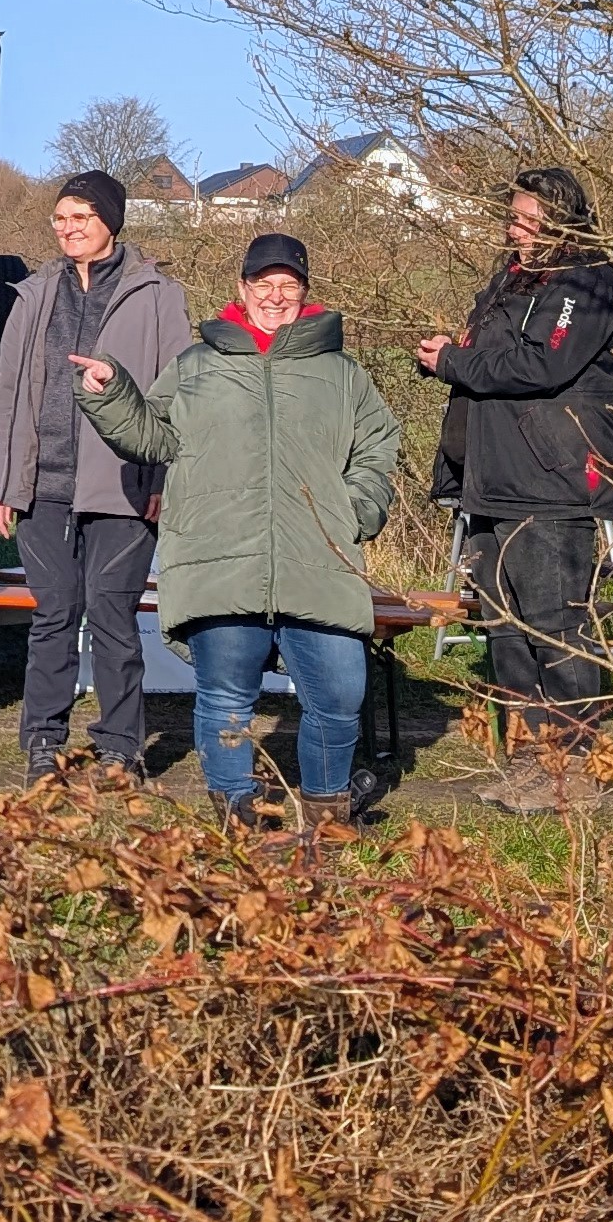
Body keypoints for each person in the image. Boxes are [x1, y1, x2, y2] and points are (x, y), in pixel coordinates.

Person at [76, 234, 402, 831]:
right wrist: (111, 392)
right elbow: (151, 437)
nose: (275, 296)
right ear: (242, 289)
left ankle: (327, 814)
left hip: (320, 558)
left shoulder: (342, 373)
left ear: (304, 292)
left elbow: (377, 448)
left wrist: (354, 512)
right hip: (218, 556)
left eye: (288, 285)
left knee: (338, 695)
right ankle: (237, 813)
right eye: (263, 284)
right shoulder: (196, 366)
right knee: (226, 698)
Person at [415, 166, 613, 814]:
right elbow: (492, 355)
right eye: (513, 218)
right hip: (492, 477)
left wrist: (454, 362)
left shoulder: (586, 281)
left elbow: (543, 363)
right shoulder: (512, 278)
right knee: (505, 628)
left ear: (563, 224)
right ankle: (530, 760)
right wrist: (450, 353)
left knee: (554, 625)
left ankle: (575, 768)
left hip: (551, 478)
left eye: (529, 221)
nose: (515, 231)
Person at [0, 170, 191, 787]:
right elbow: (7, 394)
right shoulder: (33, 293)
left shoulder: (158, 295)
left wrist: (162, 478)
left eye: (81, 217)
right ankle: (43, 744)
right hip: (42, 485)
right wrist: (1, 482)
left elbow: (178, 396)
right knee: (53, 617)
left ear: (111, 222)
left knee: (112, 618)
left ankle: (120, 750)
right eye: (60, 218)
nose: (68, 228)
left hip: (124, 486)